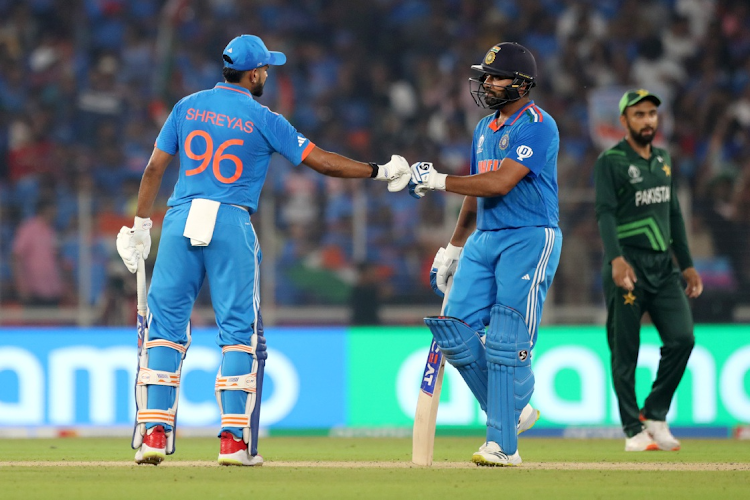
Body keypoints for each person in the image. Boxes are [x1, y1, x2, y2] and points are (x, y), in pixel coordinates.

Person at [115, 34, 411, 467]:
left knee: (163, 330)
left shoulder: (186, 106)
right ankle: (233, 442)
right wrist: (379, 171)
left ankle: (155, 434)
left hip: (179, 220)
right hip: (231, 221)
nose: (268, 75)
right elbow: (323, 162)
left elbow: (155, 167)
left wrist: (141, 225)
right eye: (266, 69)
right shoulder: (264, 118)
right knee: (238, 335)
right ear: (253, 73)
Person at [410, 42, 562, 466]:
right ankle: (515, 411)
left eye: (496, 77)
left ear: (523, 83)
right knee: (453, 332)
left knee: (504, 340)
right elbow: (476, 193)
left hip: (529, 236)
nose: (488, 83)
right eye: (486, 76)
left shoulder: (538, 125)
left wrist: (439, 180)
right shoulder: (483, 129)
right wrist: (454, 247)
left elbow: (499, 184)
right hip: (485, 239)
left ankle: (503, 445)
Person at [594, 89, 703, 452]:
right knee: (625, 349)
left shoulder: (663, 159)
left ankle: (655, 413)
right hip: (629, 265)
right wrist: (615, 258)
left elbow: (673, 215)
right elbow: (605, 213)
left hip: (663, 266)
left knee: (683, 339)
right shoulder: (610, 161)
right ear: (624, 120)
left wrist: (686, 264)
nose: (647, 121)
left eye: (652, 114)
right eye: (639, 114)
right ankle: (632, 429)